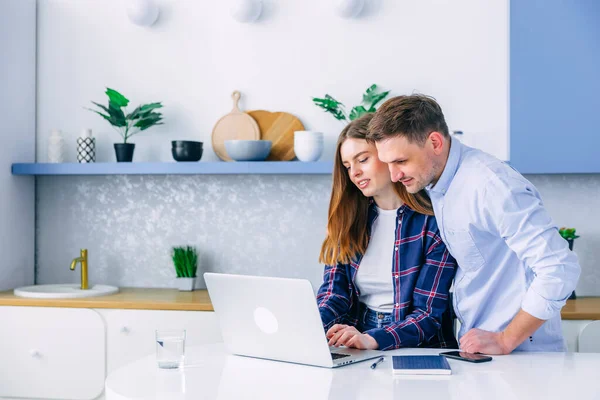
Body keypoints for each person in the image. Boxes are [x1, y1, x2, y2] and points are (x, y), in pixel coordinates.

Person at [367, 94, 581, 354]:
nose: (394, 175)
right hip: (479, 349)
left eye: (400, 161)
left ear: (435, 142)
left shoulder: (491, 185)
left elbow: (559, 268)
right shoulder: (437, 182)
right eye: (388, 163)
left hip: (522, 357)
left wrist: (506, 339)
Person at [316, 113, 457, 351]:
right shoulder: (349, 220)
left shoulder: (434, 221)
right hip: (357, 336)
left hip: (420, 347)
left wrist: (374, 339)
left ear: (388, 154)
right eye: (348, 166)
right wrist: (310, 327)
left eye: (362, 159)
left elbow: (428, 315)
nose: (354, 173)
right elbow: (334, 295)